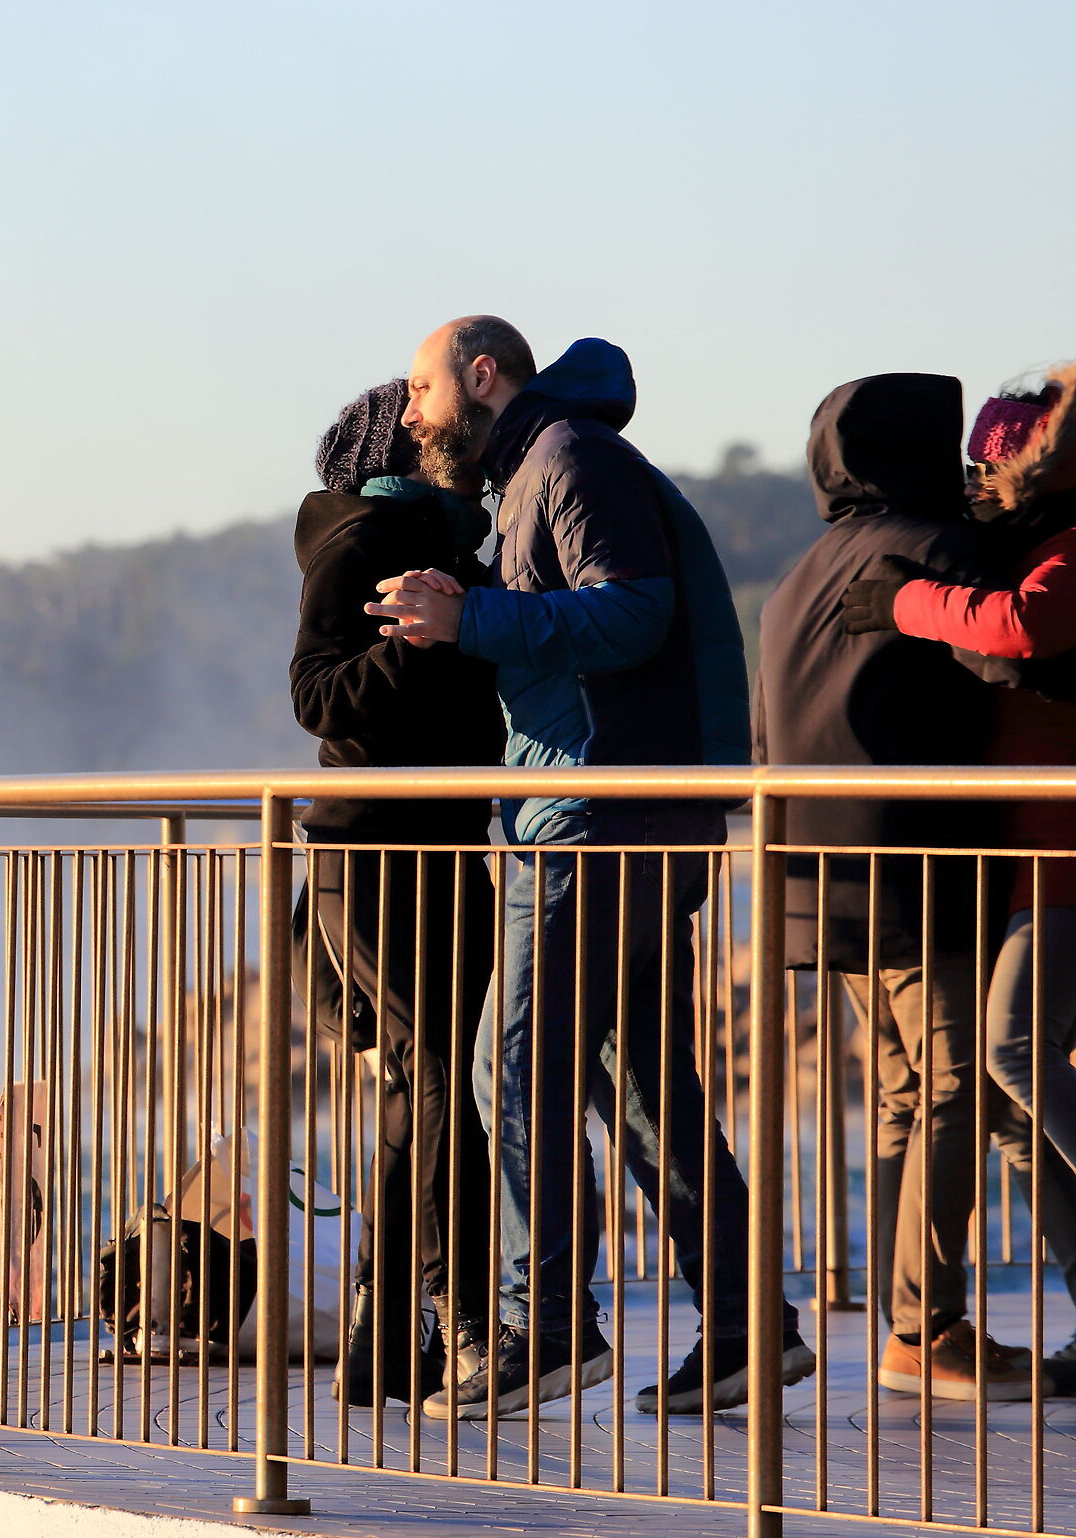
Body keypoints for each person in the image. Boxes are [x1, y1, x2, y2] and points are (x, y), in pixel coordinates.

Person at [367, 316, 812, 1419]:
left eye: (420, 390)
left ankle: (549, 1327)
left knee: (507, 1065)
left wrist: (471, 616)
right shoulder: (532, 472)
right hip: (608, 813)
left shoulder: (568, 457)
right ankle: (754, 1325)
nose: (409, 412)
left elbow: (633, 610)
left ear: (483, 375)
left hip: (596, 820)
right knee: (644, 1088)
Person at [762, 373, 1058, 1402]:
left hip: (815, 875)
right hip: (920, 869)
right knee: (950, 1086)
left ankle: (909, 1323)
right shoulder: (932, 552)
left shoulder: (802, 574)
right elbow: (1009, 666)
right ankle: (924, 1328)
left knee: (901, 1093)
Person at [838, 370, 1076, 1394]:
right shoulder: (1026, 545)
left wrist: (906, 599)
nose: (980, 480)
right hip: (1024, 855)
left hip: (1062, 851)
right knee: (1018, 1099)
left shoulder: (1065, 552)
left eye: (995, 461)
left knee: (1013, 1047)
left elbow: (1019, 628)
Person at [290, 378, 503, 1404]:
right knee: (439, 1081)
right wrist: (412, 644)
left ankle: (385, 1333)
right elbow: (314, 696)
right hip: (379, 852)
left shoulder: (449, 541)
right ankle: (452, 1312)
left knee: (423, 1086)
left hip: (438, 845)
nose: (441, 428)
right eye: (420, 422)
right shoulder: (362, 541)